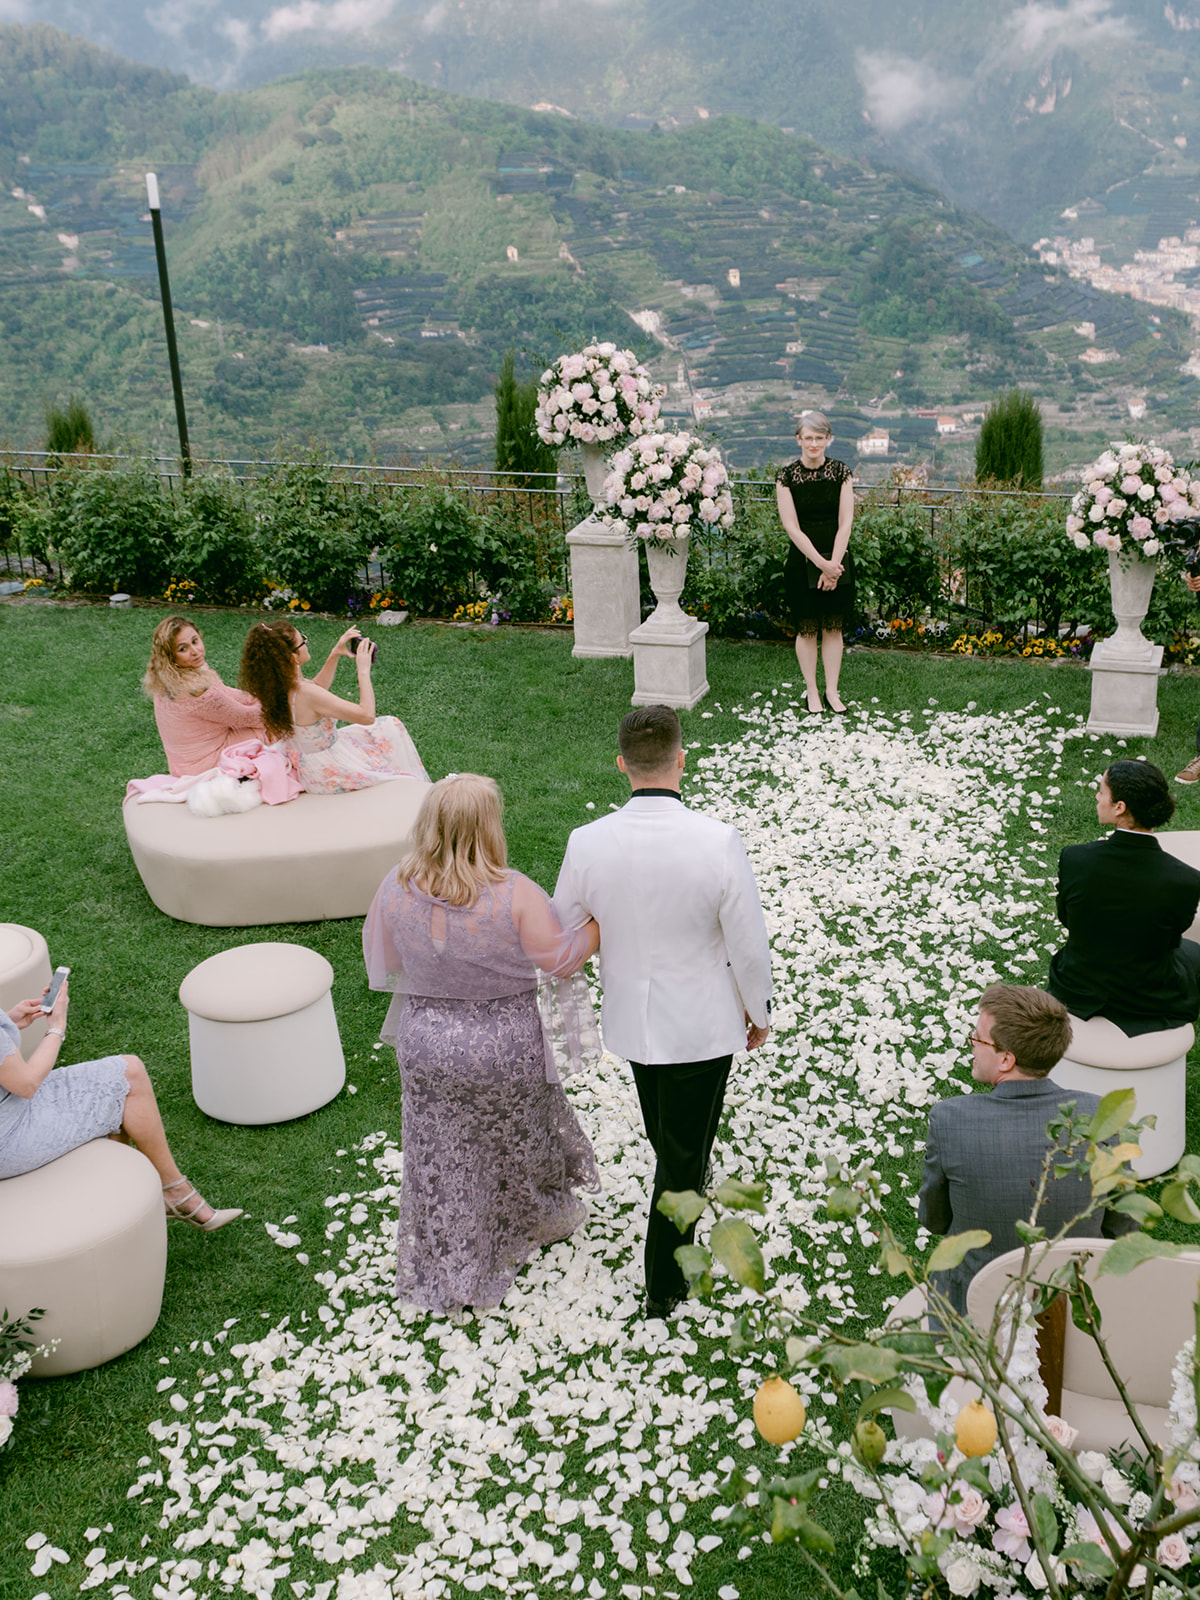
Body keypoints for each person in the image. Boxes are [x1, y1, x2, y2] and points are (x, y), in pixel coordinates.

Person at [553, 705, 773, 1318]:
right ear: (682, 759)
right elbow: (747, 942)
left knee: (674, 1147)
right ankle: (667, 1285)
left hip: (633, 1025)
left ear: (623, 765)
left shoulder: (587, 842)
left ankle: (672, 1262)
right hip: (702, 1027)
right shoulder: (717, 840)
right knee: (681, 1158)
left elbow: (564, 926)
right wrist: (760, 1012)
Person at [363, 773, 601, 1313]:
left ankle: (452, 1249)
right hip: (502, 1047)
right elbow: (560, 960)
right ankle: (530, 1218)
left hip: (426, 1047)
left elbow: (390, 961)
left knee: (442, 1149)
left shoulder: (394, 885)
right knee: (519, 1133)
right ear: (487, 827)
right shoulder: (513, 892)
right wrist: (596, 928)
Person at [918, 985, 1134, 1317]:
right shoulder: (1100, 1115)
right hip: (1073, 1301)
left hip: (973, 1306)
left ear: (1006, 1059)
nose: (973, 1046)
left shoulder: (950, 1120)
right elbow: (1124, 1225)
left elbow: (933, 1219)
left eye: (978, 1038)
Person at [0, 974, 240, 1229]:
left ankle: (146, 1204)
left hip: (9, 1106)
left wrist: (9, 1020)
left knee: (127, 1074)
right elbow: (25, 1084)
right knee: (126, 1082)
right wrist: (56, 1028)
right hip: (9, 1134)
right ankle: (164, 1199)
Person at [1047, 761, 1200, 1035]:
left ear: (1120, 807)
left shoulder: (1075, 858)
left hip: (1077, 986)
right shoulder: (1186, 880)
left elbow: (1066, 918)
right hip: (1148, 999)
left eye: (1102, 791)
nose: (1097, 797)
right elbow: (1170, 939)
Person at [239, 619, 428, 793]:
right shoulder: (306, 693)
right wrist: (363, 671)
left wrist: (335, 652)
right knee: (391, 734)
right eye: (302, 641)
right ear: (291, 657)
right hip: (329, 769)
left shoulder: (281, 685)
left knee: (388, 725)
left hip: (310, 763)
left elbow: (316, 689)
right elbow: (367, 715)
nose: (306, 642)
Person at [774, 410, 856, 715]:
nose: (813, 444)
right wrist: (821, 564)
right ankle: (812, 692)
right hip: (802, 559)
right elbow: (791, 527)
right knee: (807, 629)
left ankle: (832, 692)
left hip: (839, 557)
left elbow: (846, 521)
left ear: (828, 439)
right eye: (807, 438)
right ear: (798, 439)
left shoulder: (842, 473)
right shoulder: (785, 477)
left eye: (819, 438)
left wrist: (834, 565)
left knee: (833, 628)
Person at [144, 615, 265, 777]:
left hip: (182, 765)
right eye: (183, 649)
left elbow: (227, 693)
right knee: (273, 727)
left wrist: (259, 698)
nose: (195, 652)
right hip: (206, 766)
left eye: (195, 641)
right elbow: (252, 718)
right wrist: (280, 702)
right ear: (171, 657)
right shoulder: (199, 691)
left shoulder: (168, 678)